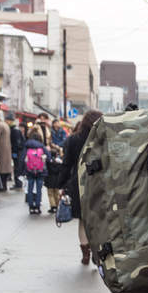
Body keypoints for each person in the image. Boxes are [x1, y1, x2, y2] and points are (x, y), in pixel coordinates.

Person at [60, 110, 102, 263]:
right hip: (99, 184)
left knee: (83, 221)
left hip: (78, 185)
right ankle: (98, 254)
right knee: (98, 221)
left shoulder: (73, 140)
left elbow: (66, 165)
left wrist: (61, 183)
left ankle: (85, 254)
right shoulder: (103, 140)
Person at [22, 125, 48, 214]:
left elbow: (22, 158)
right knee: (39, 189)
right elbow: (48, 156)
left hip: (29, 171)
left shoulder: (27, 145)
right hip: (40, 171)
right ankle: (37, 206)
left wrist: (21, 171)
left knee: (30, 188)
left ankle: (31, 207)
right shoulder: (41, 146)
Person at [0, 112, 14, 192]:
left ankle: (2, 186)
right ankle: (4, 185)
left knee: (1, 169)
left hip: (1, 150)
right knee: (5, 169)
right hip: (6, 150)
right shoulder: (6, 126)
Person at [10, 120, 26, 190]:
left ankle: (18, 183)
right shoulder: (17, 131)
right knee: (18, 168)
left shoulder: (14, 131)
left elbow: (17, 143)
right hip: (20, 152)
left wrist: (15, 152)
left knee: (17, 168)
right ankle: (18, 183)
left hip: (18, 152)